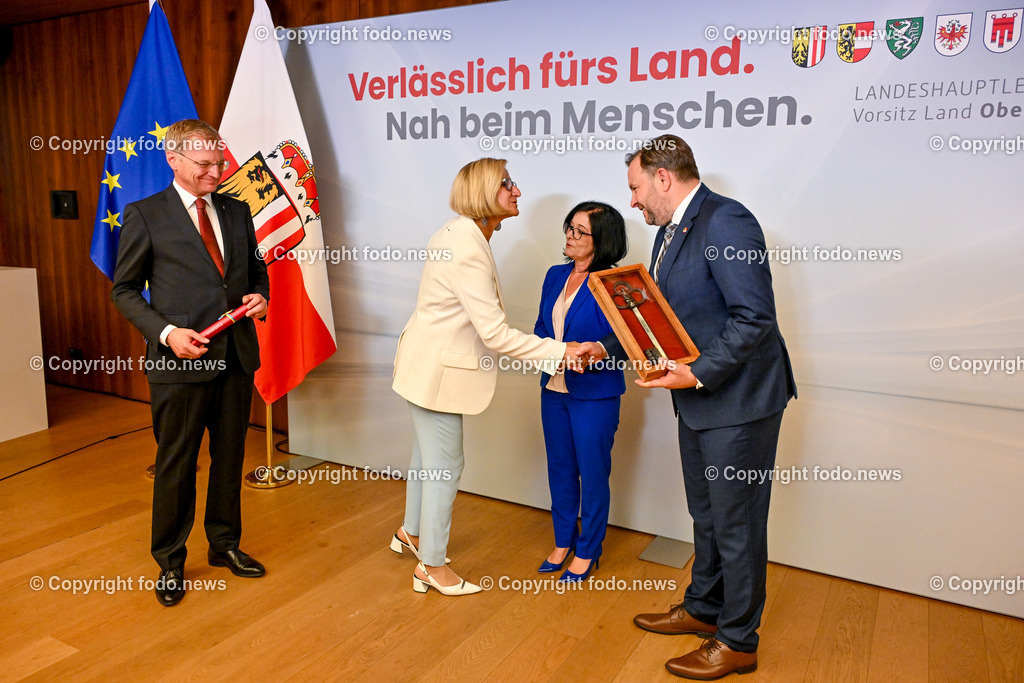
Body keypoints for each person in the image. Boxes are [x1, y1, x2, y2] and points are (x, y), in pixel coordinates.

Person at [576, 135, 796, 679]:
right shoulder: (670, 233)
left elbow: (755, 318)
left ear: (663, 178)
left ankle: (738, 639)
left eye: (635, 188)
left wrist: (696, 372)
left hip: (738, 402)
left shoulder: (727, 221)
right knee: (707, 514)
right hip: (698, 401)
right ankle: (703, 608)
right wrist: (614, 347)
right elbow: (666, 316)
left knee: (737, 521)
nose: (632, 202)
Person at [391, 158, 580, 596]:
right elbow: (493, 333)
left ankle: (412, 535)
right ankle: (431, 568)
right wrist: (561, 352)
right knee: (445, 466)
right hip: (435, 373)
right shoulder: (467, 246)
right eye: (506, 184)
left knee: (426, 458)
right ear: (482, 193)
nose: (517, 190)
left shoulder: (461, 233)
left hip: (423, 365)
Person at [111, 119, 269, 607]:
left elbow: (256, 272)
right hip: (178, 364)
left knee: (230, 459)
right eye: (205, 164)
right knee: (177, 464)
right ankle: (171, 561)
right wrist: (166, 333)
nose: (216, 172)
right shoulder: (145, 214)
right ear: (173, 160)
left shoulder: (238, 210)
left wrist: (260, 296)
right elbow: (124, 290)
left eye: (219, 162)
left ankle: (224, 545)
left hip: (236, 358)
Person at [534, 202, 627, 583]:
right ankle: (562, 541)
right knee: (559, 468)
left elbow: (627, 336)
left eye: (580, 231)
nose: (570, 237)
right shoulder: (555, 274)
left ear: (601, 240)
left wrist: (592, 353)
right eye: (569, 228)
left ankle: (588, 550)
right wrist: (548, 353)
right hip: (553, 388)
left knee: (592, 472)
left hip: (595, 391)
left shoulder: (617, 281)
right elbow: (541, 326)